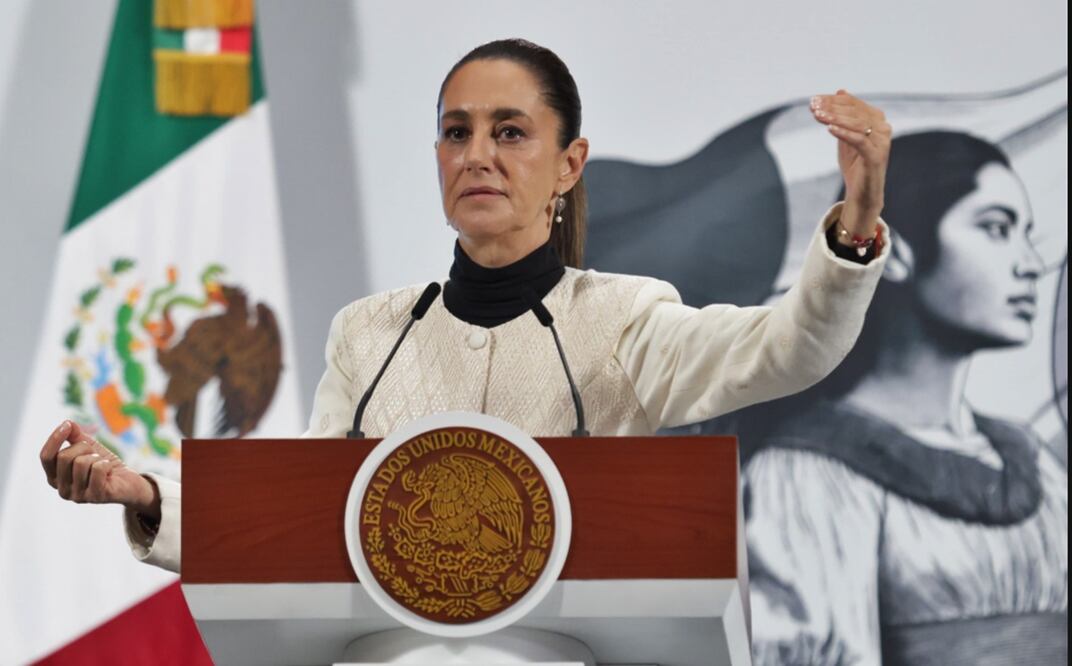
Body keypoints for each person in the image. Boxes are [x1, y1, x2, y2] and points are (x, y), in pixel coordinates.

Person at [39, 39, 892, 574]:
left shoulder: (625, 319)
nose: (477, 155)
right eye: (457, 132)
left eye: (510, 132)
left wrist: (855, 226)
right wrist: (145, 490)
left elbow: (789, 349)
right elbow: (293, 523)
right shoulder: (368, 334)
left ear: (568, 164)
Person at [740, 132, 1067, 665]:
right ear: (892, 251)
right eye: (996, 229)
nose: (1030, 264)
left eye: (1025, 234)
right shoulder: (809, 474)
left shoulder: (1034, 463)